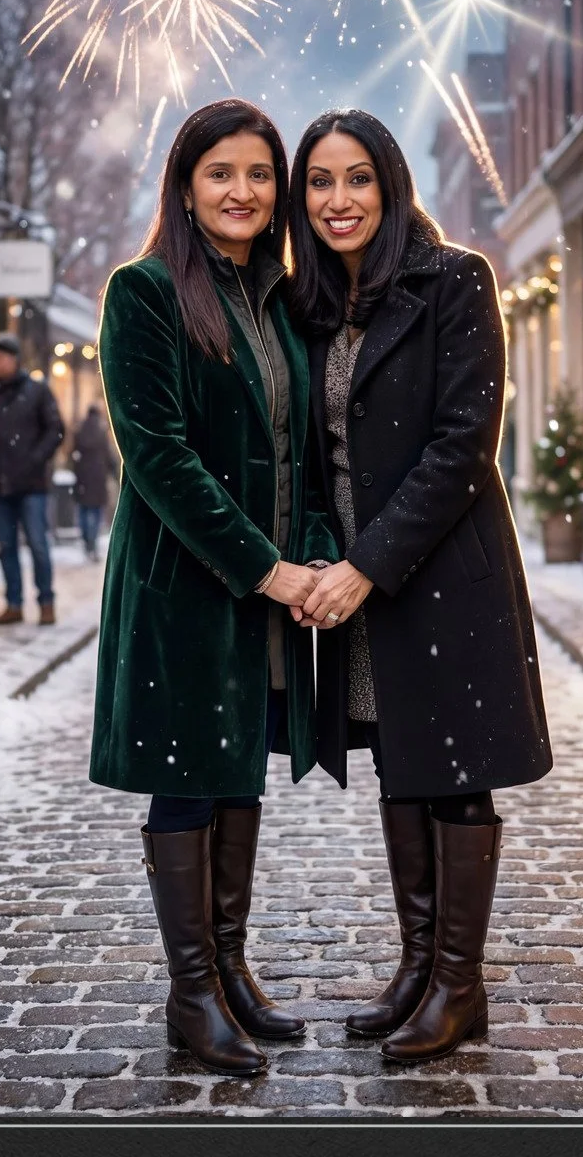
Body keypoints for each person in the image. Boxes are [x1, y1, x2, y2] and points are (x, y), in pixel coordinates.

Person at [284, 107, 554, 1063]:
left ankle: (459, 984)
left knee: (454, 771)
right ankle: (417, 965)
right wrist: (324, 558)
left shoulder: (455, 281)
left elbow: (461, 446)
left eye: (357, 178)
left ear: (392, 186)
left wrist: (367, 563)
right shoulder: (312, 302)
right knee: (403, 760)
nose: (339, 199)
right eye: (319, 181)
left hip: (439, 572)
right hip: (360, 581)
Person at [89, 99, 341, 1077]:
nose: (243, 191)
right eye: (220, 173)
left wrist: (314, 550)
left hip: (266, 593)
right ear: (187, 188)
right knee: (188, 778)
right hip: (184, 592)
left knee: (237, 765)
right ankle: (191, 995)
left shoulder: (280, 300)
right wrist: (265, 565)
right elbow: (159, 455)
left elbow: (304, 450)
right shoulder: (144, 292)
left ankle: (231, 973)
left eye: (259, 173)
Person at [0, 333, 64, 625]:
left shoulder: (37, 391)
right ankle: (14, 604)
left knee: (37, 544)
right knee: (6, 547)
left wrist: (35, 460)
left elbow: (55, 430)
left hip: (32, 485)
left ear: (14, 359)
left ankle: (46, 602)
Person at [70, 403, 117, 561]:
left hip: (82, 478)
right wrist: (114, 471)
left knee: (83, 510)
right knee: (96, 513)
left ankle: (86, 540)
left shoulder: (79, 430)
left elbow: (73, 455)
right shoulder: (102, 431)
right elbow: (109, 454)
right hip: (98, 477)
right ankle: (93, 542)